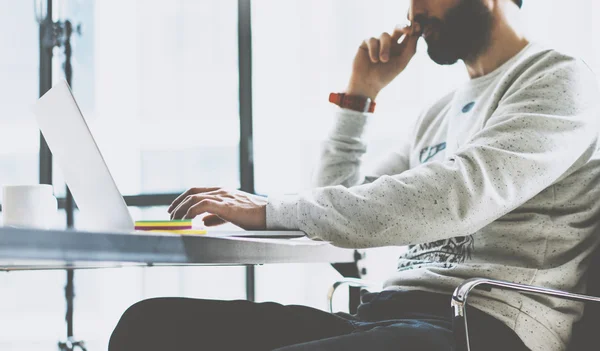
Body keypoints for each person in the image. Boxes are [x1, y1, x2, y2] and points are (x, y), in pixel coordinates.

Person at [109, 0, 600, 350]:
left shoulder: (557, 77)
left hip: (485, 325)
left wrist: (268, 209)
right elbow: (344, 206)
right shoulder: (438, 113)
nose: (413, 13)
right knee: (149, 327)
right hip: (388, 313)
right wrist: (359, 96)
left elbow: (460, 194)